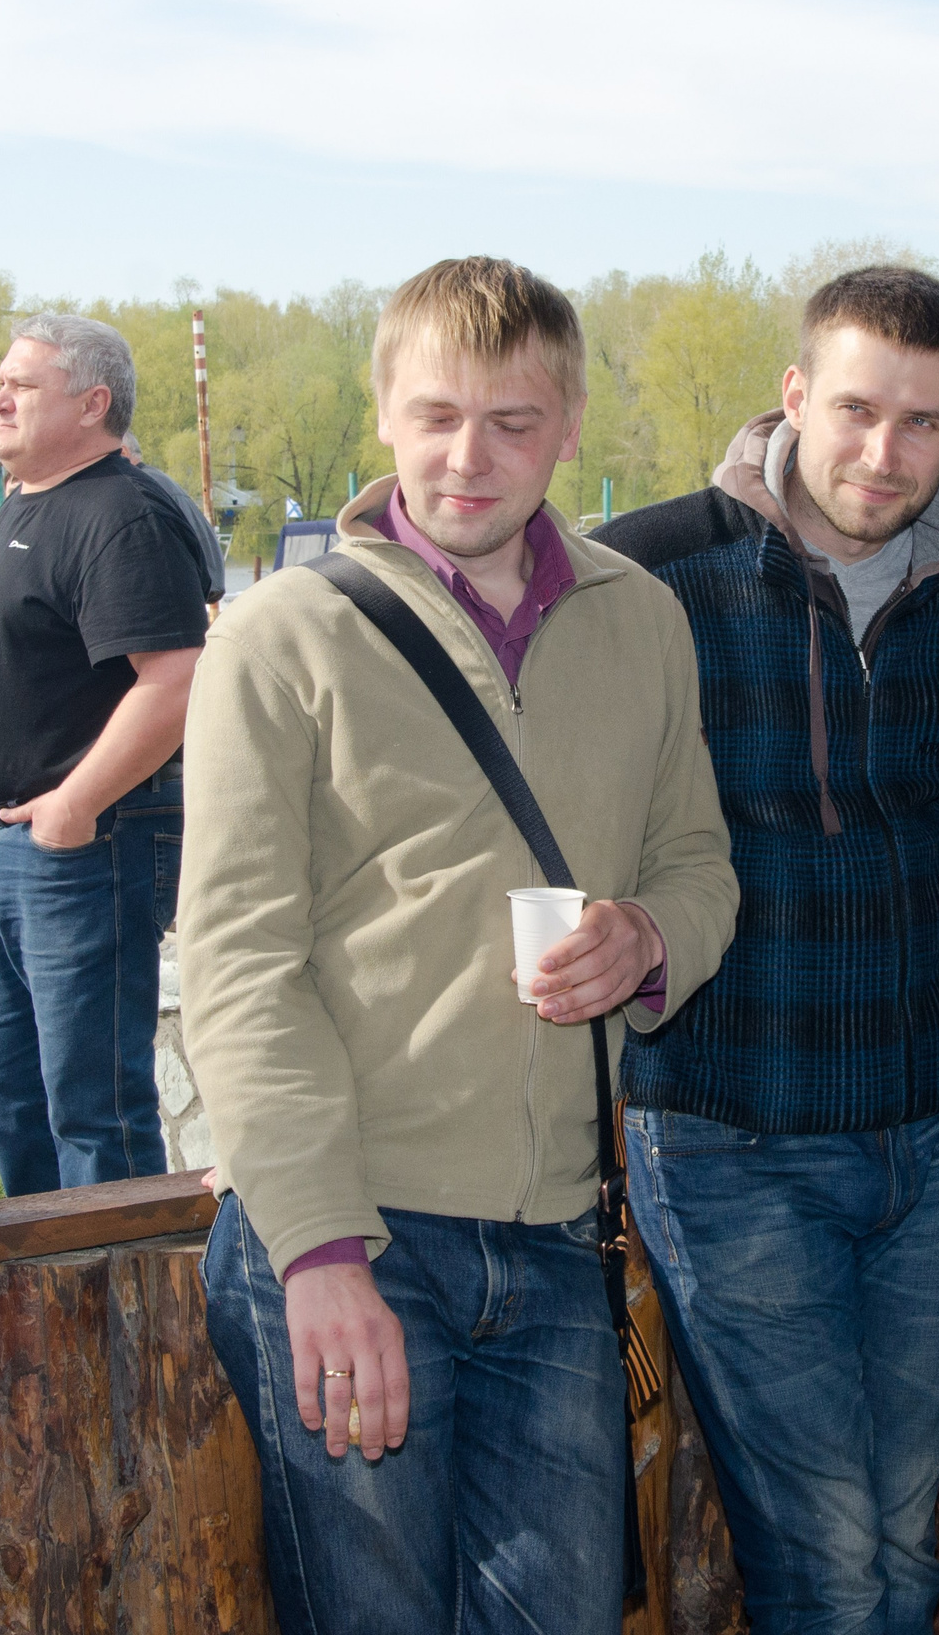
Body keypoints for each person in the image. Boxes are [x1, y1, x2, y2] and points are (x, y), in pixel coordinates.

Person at [182, 256, 740, 1634]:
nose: (468, 457)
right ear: (383, 413)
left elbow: (701, 865)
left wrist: (647, 939)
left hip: (556, 1234)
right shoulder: (278, 636)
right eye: (435, 415)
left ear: (568, 425)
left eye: (510, 422)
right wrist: (317, 1256)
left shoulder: (641, 617)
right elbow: (238, 963)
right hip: (349, 1231)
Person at [591, 265, 939, 1633]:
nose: (881, 455)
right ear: (792, 396)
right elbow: (436, 581)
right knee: (830, 1562)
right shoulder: (654, 568)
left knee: (900, 1548)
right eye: (854, 410)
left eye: (923, 424)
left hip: (930, 1133)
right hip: (730, 1131)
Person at [0, 314, 210, 1195]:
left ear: (93, 405)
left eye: (23, 384)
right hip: (4, 848)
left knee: (92, 1105)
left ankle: (118, 1309)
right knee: (4, 1087)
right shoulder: (29, 503)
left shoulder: (122, 515)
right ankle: (45, 1282)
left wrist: (73, 806)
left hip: (85, 847)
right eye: (1, 381)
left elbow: (176, 679)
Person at [122, 431, 227, 602]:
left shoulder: (141, 486)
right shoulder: (159, 480)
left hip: (183, 593)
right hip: (198, 589)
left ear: (123, 453)